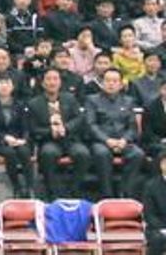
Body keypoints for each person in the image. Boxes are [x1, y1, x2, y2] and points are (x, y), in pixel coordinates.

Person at [28, 68, 91, 199]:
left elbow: (79, 119)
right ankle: (53, 192)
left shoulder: (70, 98)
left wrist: (66, 128)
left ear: (60, 82)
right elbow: (33, 129)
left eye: (55, 79)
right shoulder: (34, 103)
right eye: (49, 79)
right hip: (49, 140)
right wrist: (51, 132)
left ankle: (73, 190)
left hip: (70, 139)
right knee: (48, 154)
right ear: (43, 83)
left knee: (83, 154)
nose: (52, 82)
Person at [87, 66, 145, 198]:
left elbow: (132, 127)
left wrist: (124, 140)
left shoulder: (128, 101)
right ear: (102, 83)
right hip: (101, 141)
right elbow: (91, 125)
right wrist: (107, 140)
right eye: (107, 81)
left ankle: (126, 192)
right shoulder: (92, 100)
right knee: (102, 153)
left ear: (120, 84)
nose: (111, 84)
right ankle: (106, 194)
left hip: (123, 141)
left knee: (137, 153)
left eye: (114, 81)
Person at [0, 75, 34, 197]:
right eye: (1, 83)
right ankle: (16, 187)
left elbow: (25, 127)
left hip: (17, 141)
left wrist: (23, 139)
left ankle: (29, 187)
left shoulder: (20, 105)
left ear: (12, 87)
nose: (4, 86)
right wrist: (4, 137)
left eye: (7, 83)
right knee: (9, 153)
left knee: (24, 151)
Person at [145, 151, 166, 255]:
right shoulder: (151, 186)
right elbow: (149, 215)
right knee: (158, 239)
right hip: (157, 228)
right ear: (162, 165)